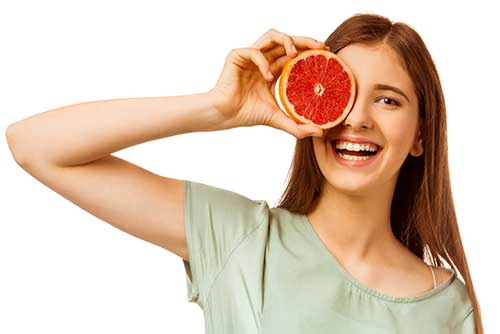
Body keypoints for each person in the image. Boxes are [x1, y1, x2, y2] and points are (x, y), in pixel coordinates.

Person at [6, 13, 483, 334]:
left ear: (421, 134)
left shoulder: (446, 308)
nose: (357, 118)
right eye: (342, 91)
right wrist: (217, 109)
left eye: (387, 99)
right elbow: (34, 146)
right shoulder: (239, 238)